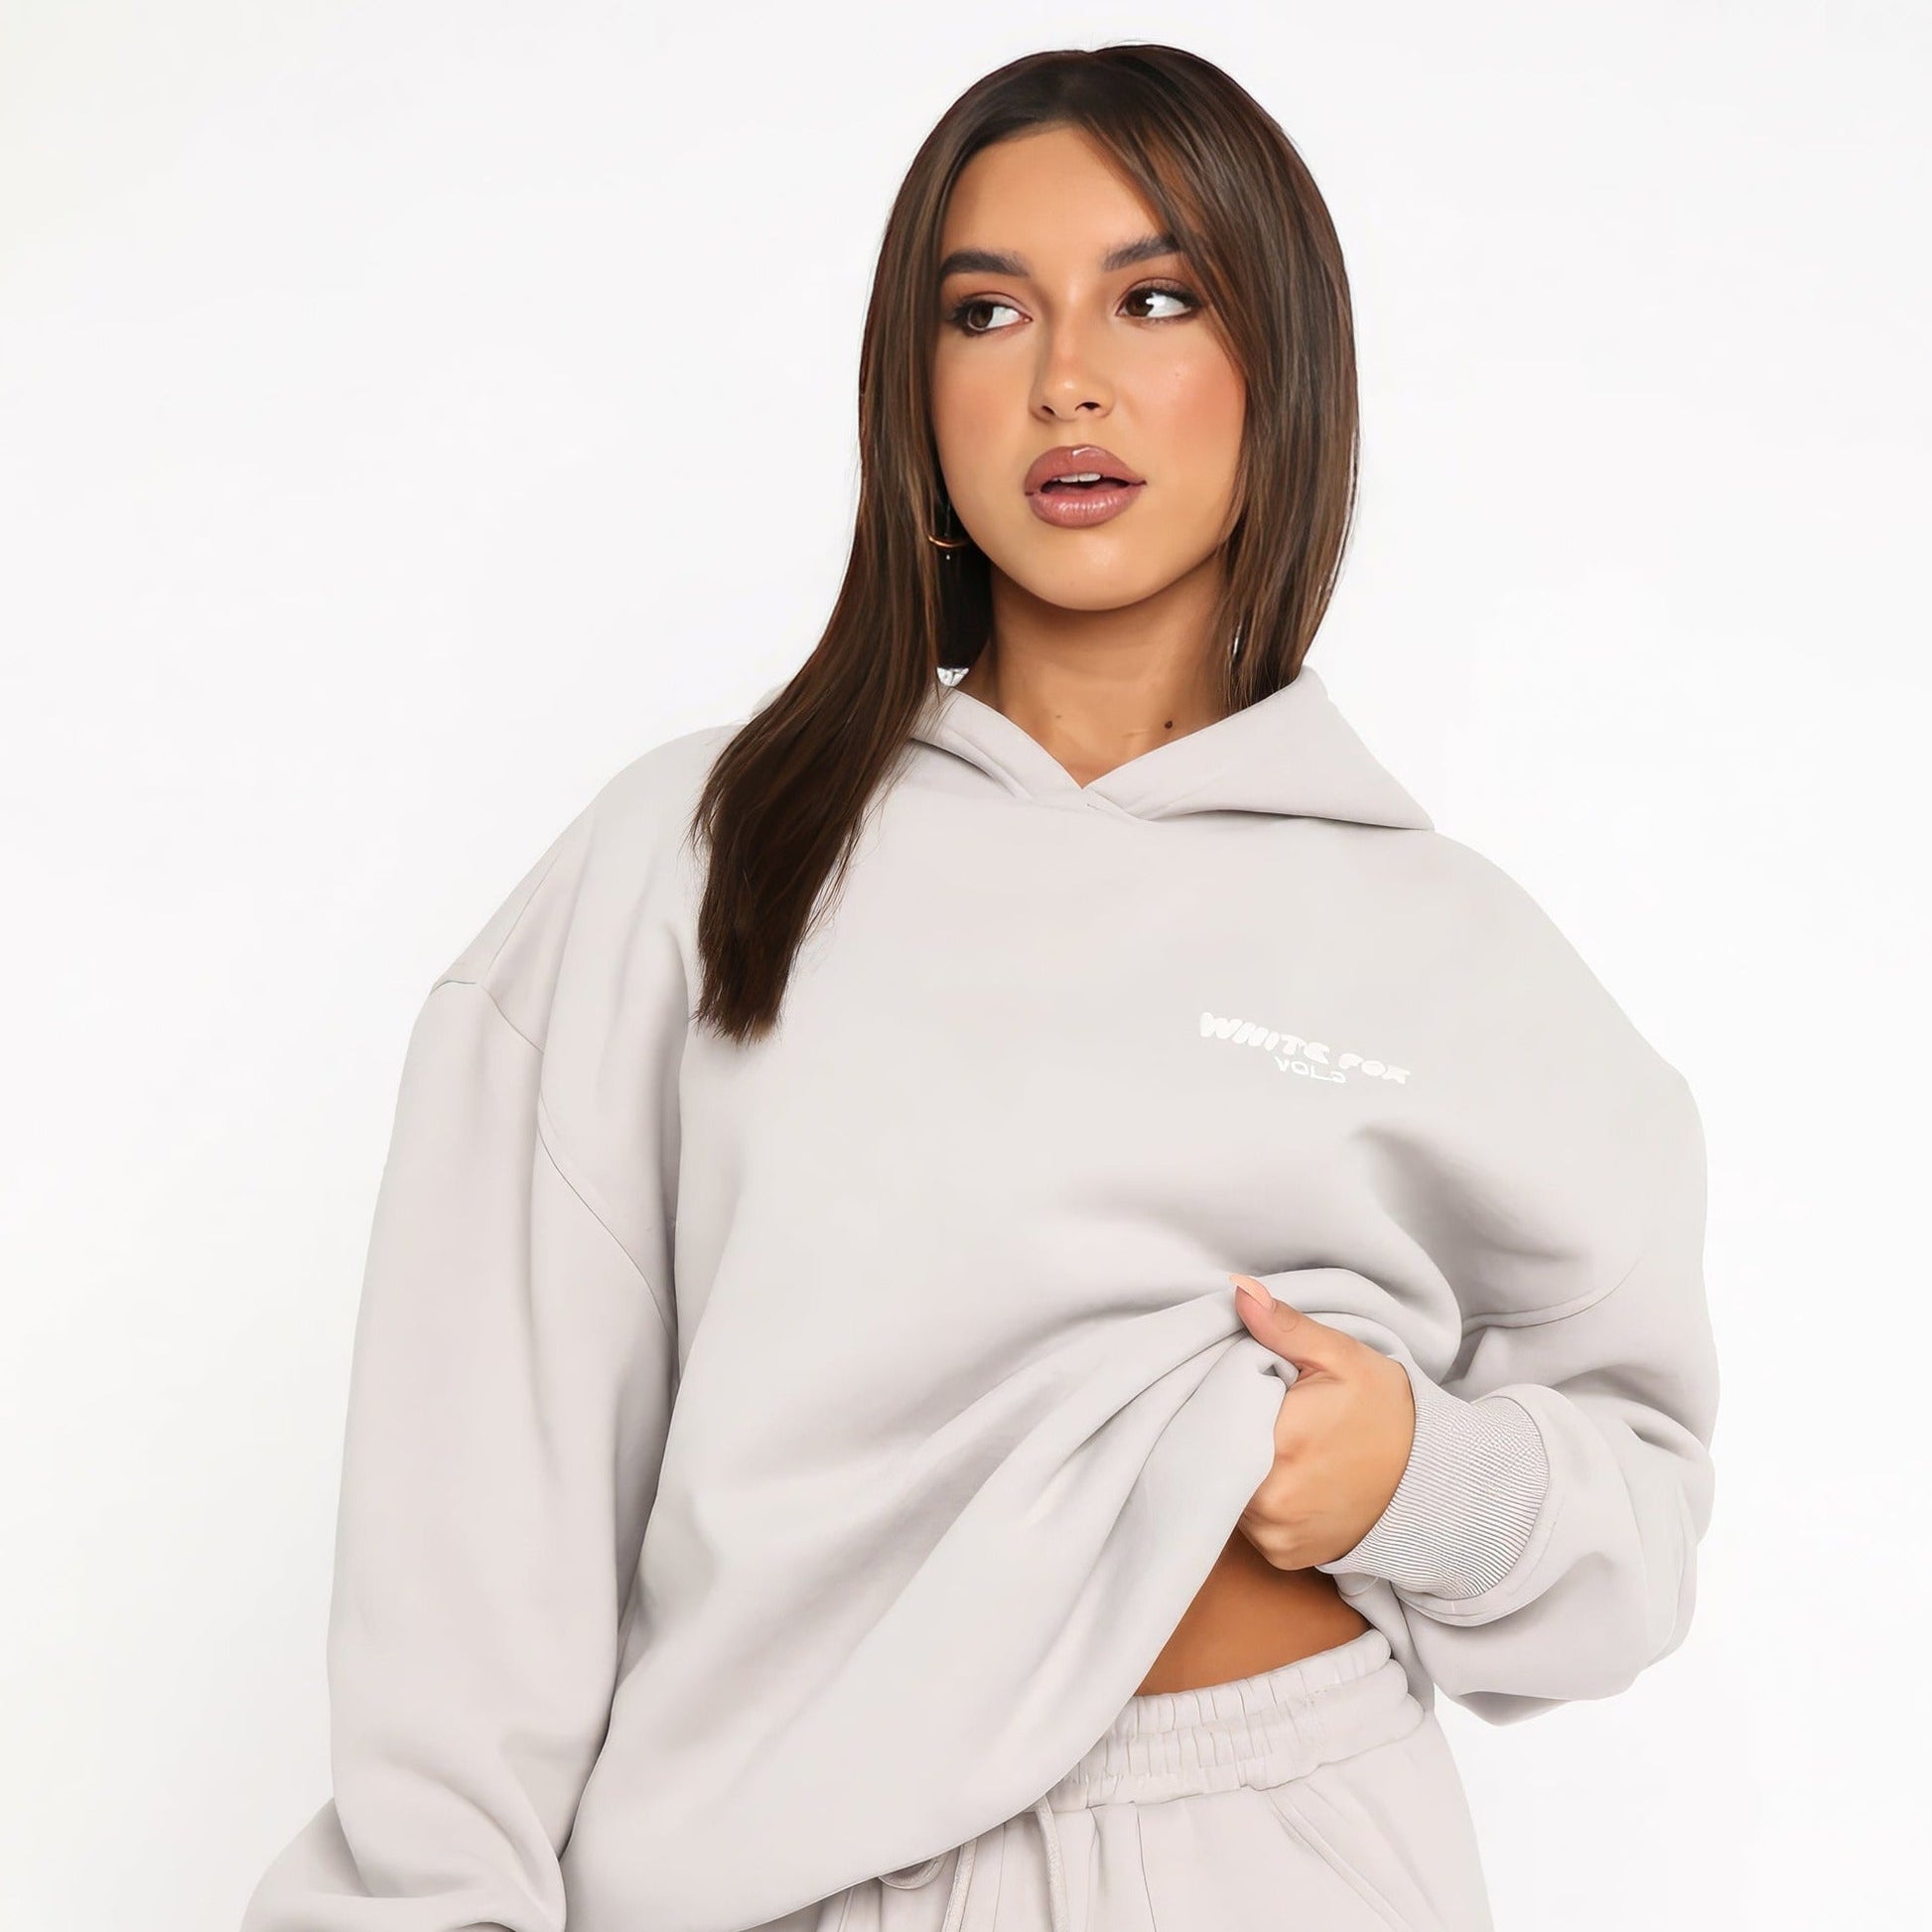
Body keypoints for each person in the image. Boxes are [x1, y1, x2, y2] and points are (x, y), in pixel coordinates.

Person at [238, 42, 1720, 1932]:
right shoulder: (709, 856)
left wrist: (1417, 1477)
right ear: (913, 391)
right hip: (798, 1877)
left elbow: (1638, 1530)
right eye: (987, 311)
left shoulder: (1451, 947)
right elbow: (474, 1519)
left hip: (1290, 1852)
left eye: (1153, 298)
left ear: (1280, 365)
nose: (1064, 378)